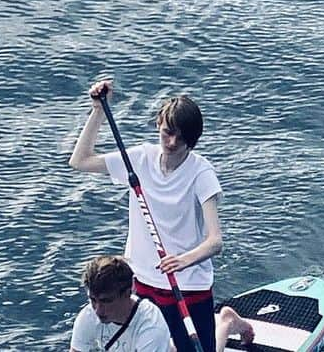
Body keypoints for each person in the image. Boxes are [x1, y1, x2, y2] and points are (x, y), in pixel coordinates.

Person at [69, 79, 223, 352]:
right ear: (158, 126)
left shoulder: (202, 173)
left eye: (180, 137)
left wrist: (182, 261)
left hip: (188, 286)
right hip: (143, 282)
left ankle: (226, 324)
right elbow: (80, 161)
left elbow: (215, 241)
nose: (172, 142)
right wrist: (98, 111)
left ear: (192, 139)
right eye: (167, 133)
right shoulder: (140, 159)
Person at [70, 255, 171, 352]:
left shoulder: (151, 325)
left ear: (127, 293)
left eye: (107, 301)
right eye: (93, 300)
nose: (98, 310)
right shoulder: (88, 315)